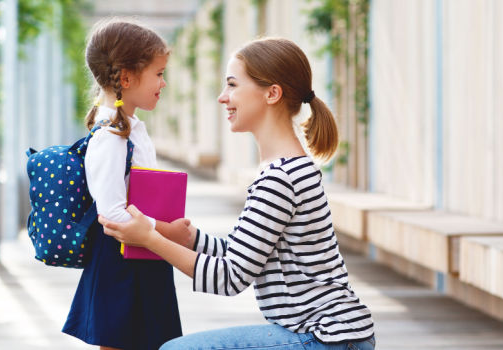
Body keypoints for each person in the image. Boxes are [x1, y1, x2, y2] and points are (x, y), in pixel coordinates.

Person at [99, 37, 376, 350]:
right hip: (338, 336)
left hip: (326, 339)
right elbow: (242, 253)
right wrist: (190, 238)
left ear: (272, 93)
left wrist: (150, 239)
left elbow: (229, 277)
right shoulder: (287, 168)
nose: (222, 97)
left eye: (232, 85)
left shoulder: (280, 178)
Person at [61, 18, 190, 350]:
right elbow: (112, 215)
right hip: (121, 263)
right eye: (158, 74)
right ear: (126, 78)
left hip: (140, 255)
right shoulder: (111, 138)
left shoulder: (129, 129)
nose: (163, 83)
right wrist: (167, 231)